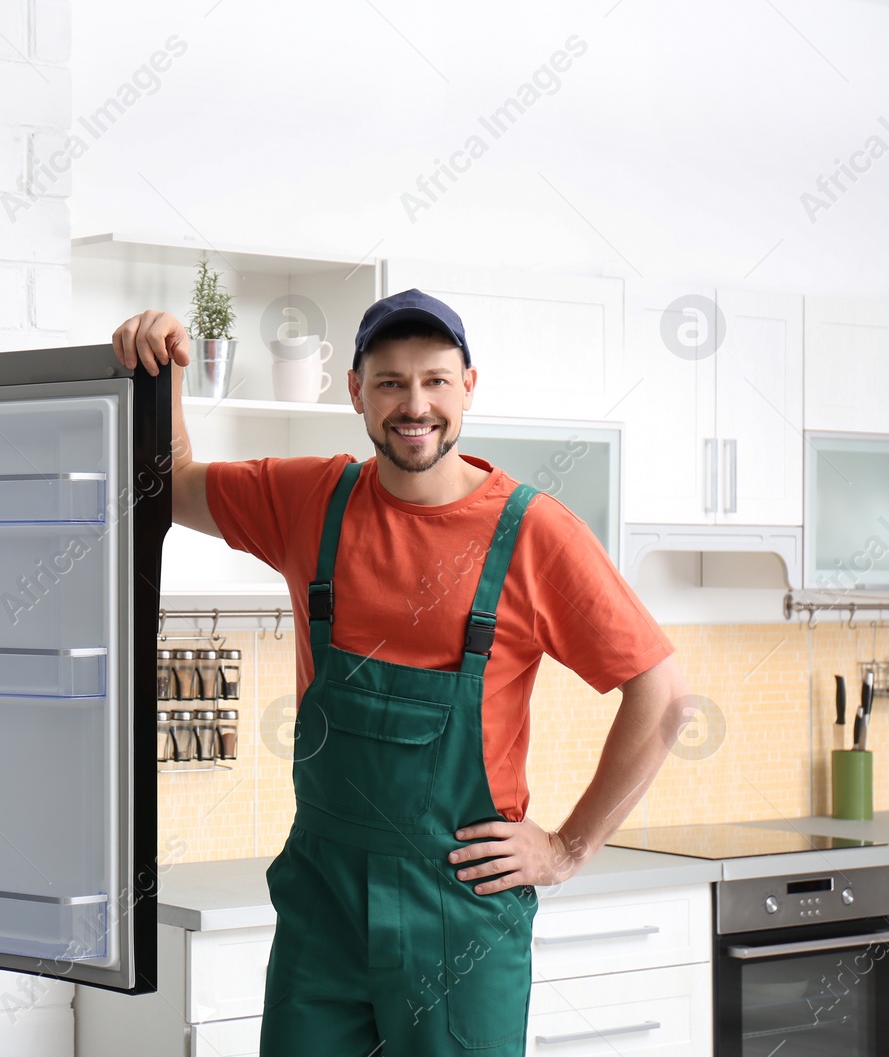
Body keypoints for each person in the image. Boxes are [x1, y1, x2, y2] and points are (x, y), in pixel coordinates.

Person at [112, 290, 691, 1056]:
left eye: (435, 380)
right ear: (355, 391)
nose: (414, 404)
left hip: (459, 910)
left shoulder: (534, 532)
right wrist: (163, 370)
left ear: (468, 387)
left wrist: (568, 847)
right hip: (322, 901)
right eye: (389, 382)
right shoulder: (310, 499)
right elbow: (175, 483)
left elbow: (664, 695)